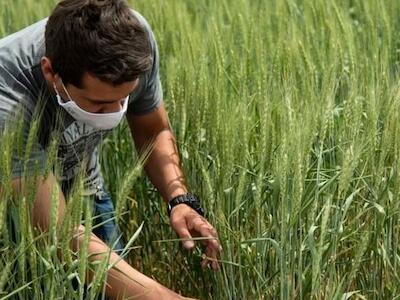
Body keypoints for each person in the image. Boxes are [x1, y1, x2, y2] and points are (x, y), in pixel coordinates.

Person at [0, 0, 222, 299]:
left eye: (124, 99)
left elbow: (154, 130)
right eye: (99, 104)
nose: (114, 113)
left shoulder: (132, 40)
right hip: (14, 205)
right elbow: (60, 235)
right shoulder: (7, 100)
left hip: (84, 184)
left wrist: (179, 199)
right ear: (51, 72)